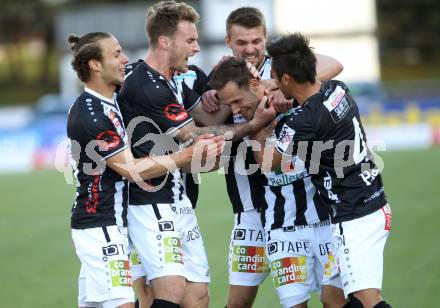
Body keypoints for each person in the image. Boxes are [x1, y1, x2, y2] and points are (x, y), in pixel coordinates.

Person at [117, 2, 274, 308]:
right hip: (148, 201)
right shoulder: (143, 83)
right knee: (164, 293)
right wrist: (254, 123)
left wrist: (232, 91)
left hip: (181, 199)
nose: (197, 48)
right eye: (190, 41)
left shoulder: (176, 80)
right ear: (166, 42)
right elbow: (194, 136)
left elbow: (207, 122)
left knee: (198, 295)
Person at [66, 31, 223, 308]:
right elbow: (130, 169)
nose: (125, 59)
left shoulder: (110, 101)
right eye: (116, 54)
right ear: (95, 65)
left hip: (115, 222)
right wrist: (187, 154)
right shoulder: (91, 114)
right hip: (99, 223)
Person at [203, 7, 344, 308]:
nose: (250, 49)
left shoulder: (281, 70)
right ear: (228, 41)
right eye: (242, 42)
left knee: (335, 298)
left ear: (266, 38)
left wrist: (277, 86)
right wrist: (222, 107)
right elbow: (201, 132)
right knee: (238, 301)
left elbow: (334, 65)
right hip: (251, 210)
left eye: (256, 41)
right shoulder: (217, 80)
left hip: (307, 201)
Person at [256, 32, 392, 308]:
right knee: (338, 299)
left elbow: (267, 162)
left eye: (274, 76)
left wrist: (260, 122)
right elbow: (327, 63)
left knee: (367, 302)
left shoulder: (302, 122)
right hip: (371, 202)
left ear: (285, 79)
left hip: (354, 215)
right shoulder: (337, 88)